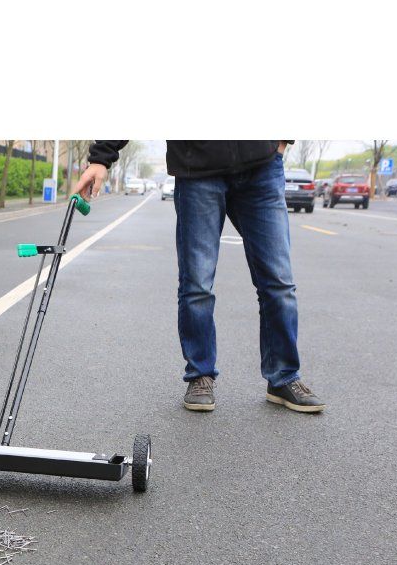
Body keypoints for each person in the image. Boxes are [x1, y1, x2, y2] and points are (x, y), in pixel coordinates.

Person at [74, 141, 325, 414]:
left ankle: (283, 377)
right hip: (198, 168)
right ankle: (200, 375)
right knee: (198, 285)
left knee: (279, 283)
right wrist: (101, 158)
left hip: (262, 167)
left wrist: (282, 140)